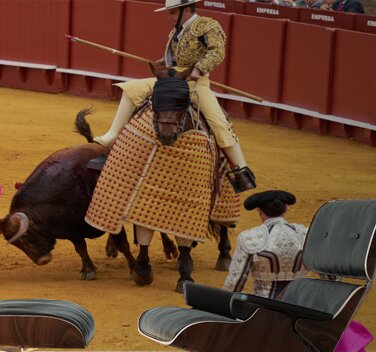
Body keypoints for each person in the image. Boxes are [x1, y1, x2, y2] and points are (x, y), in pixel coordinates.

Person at [92, 0, 250, 179]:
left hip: (194, 84)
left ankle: (240, 168)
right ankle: (112, 136)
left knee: (219, 122)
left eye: (173, 12)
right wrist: (163, 62)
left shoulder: (208, 26)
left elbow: (217, 51)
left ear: (186, 10)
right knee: (131, 89)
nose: (170, 16)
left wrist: (199, 68)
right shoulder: (176, 31)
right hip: (170, 78)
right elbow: (176, 57)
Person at [222, 190, 308, 299]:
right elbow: (328, 273)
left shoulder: (250, 237)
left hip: (264, 308)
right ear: (286, 208)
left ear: (259, 211)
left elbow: (235, 281)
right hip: (302, 306)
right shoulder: (305, 234)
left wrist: (222, 302)